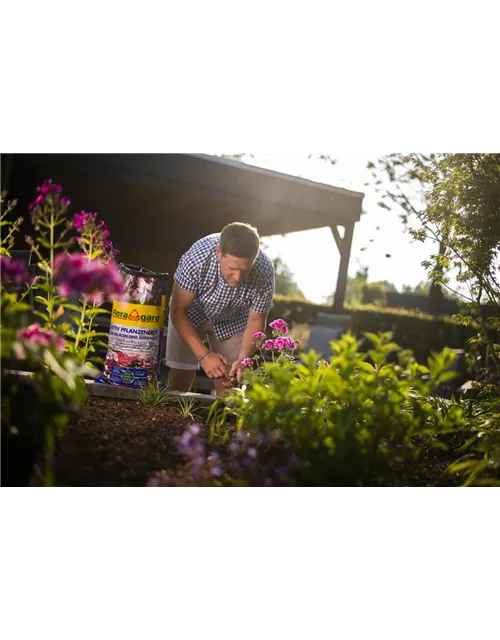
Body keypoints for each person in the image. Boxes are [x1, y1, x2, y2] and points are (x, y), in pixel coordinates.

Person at [165, 222, 275, 396]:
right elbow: (178, 312)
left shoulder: (265, 271)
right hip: (190, 314)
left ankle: (219, 421)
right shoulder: (196, 258)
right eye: (231, 268)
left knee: (231, 381)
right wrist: (204, 356)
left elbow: (256, 320)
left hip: (233, 318)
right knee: (180, 378)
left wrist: (243, 359)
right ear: (218, 253)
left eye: (245, 270)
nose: (238, 278)